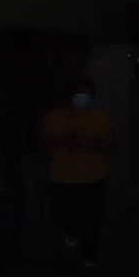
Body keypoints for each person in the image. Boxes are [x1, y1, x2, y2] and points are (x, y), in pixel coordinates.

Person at [39, 78, 114, 267]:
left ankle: (89, 256)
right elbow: (43, 142)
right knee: (62, 213)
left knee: (91, 218)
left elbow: (109, 144)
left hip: (92, 176)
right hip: (61, 176)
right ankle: (71, 233)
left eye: (87, 93)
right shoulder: (54, 116)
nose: (83, 97)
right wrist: (62, 142)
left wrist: (88, 143)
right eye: (79, 93)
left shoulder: (100, 117)